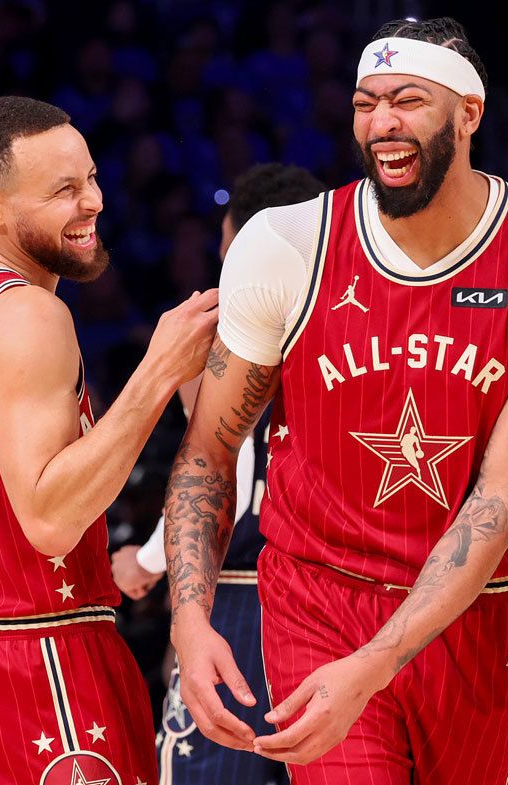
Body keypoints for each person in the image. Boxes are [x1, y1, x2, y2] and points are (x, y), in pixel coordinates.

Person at [164, 17, 508, 783]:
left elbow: (500, 500)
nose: (381, 123)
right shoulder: (286, 244)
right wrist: (188, 616)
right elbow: (208, 449)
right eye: (364, 102)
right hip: (318, 601)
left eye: (407, 100)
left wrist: (380, 658)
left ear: (468, 113)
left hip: (473, 610)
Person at [0, 96, 217, 785]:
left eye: (93, 179)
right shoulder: (29, 317)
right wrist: (159, 371)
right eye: (64, 190)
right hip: (37, 659)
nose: (94, 202)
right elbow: (48, 518)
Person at [111, 162, 325, 785]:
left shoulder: (220, 323)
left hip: (241, 593)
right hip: (338, 598)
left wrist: (150, 561)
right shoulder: (353, 320)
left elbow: (220, 462)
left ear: (240, 243)